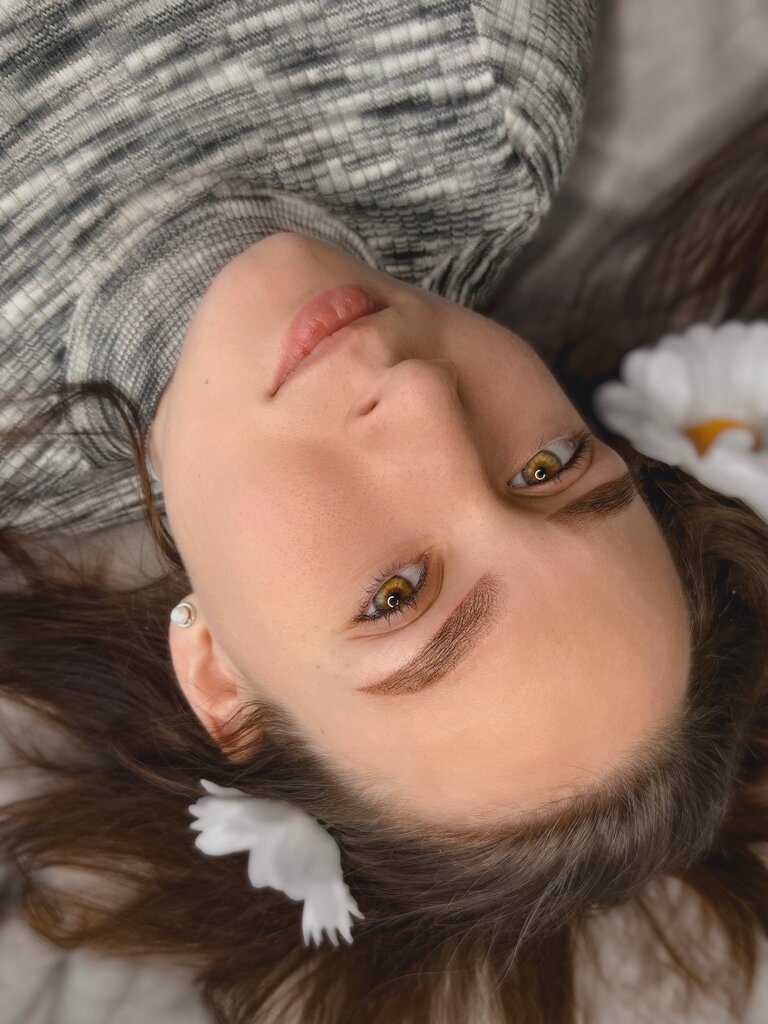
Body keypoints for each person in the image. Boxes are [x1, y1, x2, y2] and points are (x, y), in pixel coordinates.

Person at [1, 5, 767, 1024]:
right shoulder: (479, 80)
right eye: (549, 466)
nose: (422, 400)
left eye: (397, 595)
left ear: (219, 674)